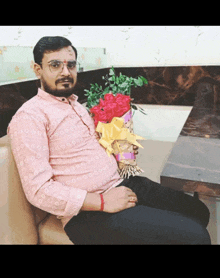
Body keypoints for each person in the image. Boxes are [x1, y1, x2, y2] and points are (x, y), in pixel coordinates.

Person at [7, 36, 211, 244]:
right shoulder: (30, 117)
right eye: (55, 65)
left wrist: (119, 148)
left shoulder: (75, 105)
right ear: (37, 69)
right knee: (196, 237)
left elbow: (84, 152)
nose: (66, 72)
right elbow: (39, 191)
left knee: (199, 212)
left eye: (71, 65)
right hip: (88, 213)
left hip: (123, 183)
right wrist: (102, 201)